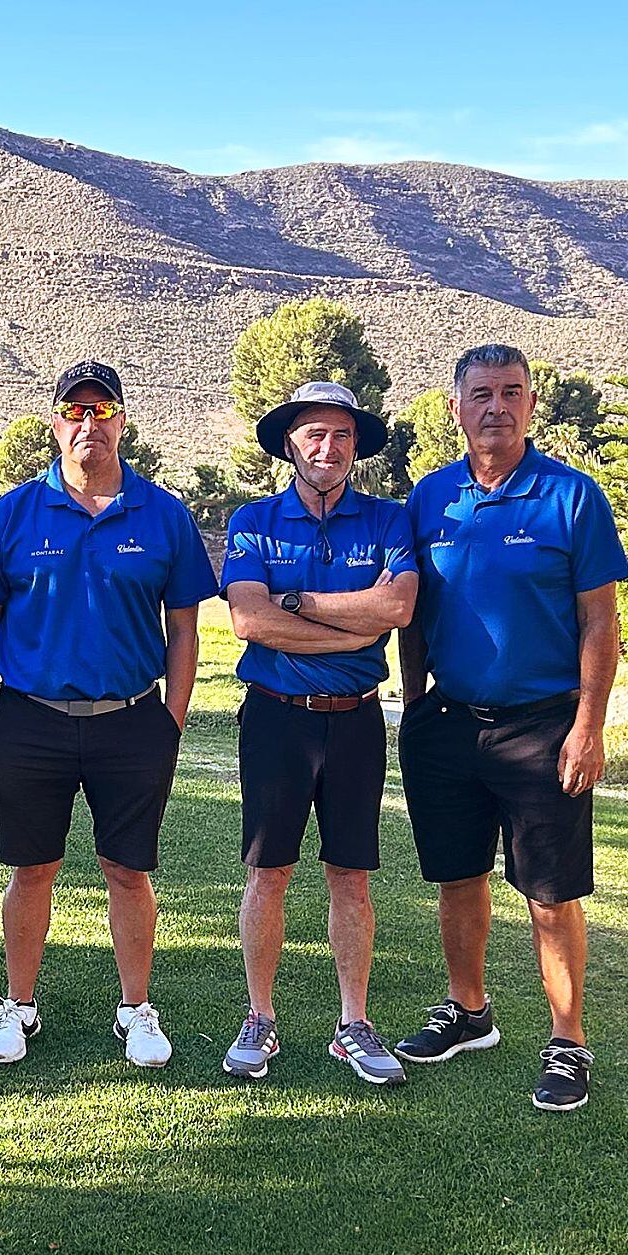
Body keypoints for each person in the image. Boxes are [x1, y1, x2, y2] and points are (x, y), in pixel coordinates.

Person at [396, 344, 628, 1113]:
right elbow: (413, 614)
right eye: (482, 394)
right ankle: (470, 1012)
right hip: (450, 725)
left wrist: (587, 726)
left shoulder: (571, 497)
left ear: (532, 404)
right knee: (457, 880)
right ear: (455, 407)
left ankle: (568, 1041)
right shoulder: (429, 499)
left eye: (511, 392)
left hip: (544, 725)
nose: (496, 406)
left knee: (550, 894)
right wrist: (414, 701)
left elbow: (600, 620)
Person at [0, 361, 215, 1068]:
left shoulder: (162, 513)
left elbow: (185, 627)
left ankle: (136, 1008)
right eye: (75, 412)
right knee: (32, 867)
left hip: (132, 721)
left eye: (102, 412)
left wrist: (170, 718)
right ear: (55, 422)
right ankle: (18, 1005)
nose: (89, 425)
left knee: (127, 870)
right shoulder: (11, 513)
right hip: (29, 718)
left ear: (121, 422)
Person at [218, 382, 416, 1086]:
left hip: (356, 721)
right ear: (289, 447)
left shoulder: (389, 521)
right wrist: (350, 628)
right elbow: (248, 620)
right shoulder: (253, 519)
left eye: (339, 435)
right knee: (268, 874)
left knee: (352, 878)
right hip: (275, 717)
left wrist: (295, 604)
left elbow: (395, 605)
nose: (326, 447)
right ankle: (260, 1018)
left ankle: (353, 1024)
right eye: (312, 435)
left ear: (355, 445)